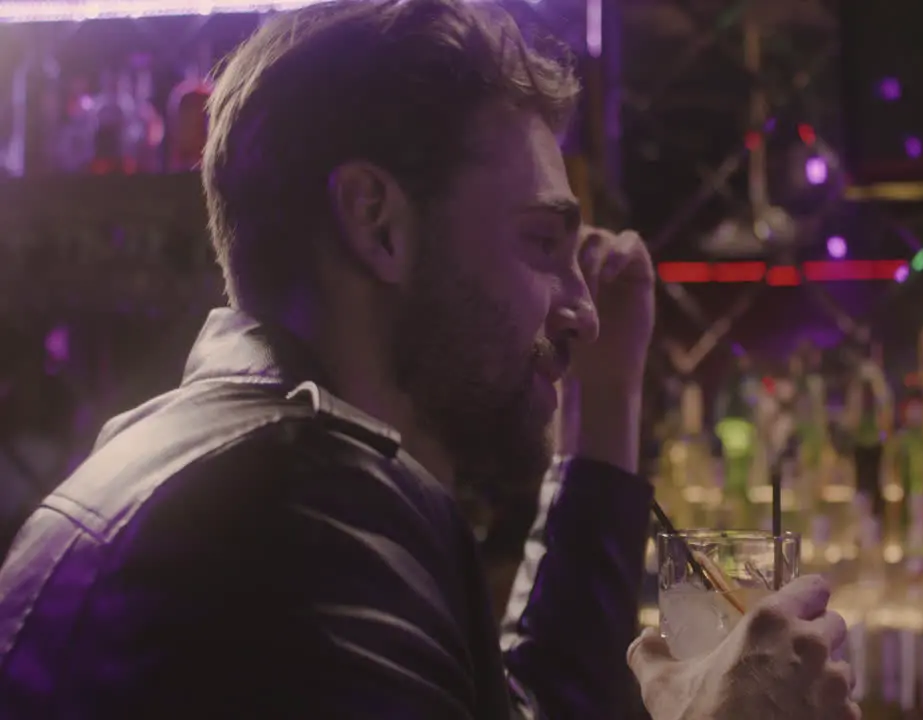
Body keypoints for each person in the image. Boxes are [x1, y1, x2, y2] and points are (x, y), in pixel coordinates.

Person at [0, 1, 856, 718]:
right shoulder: (301, 506)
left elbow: (521, 705)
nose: (584, 311)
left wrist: (607, 404)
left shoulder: (210, 456)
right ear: (379, 222)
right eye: (538, 241)